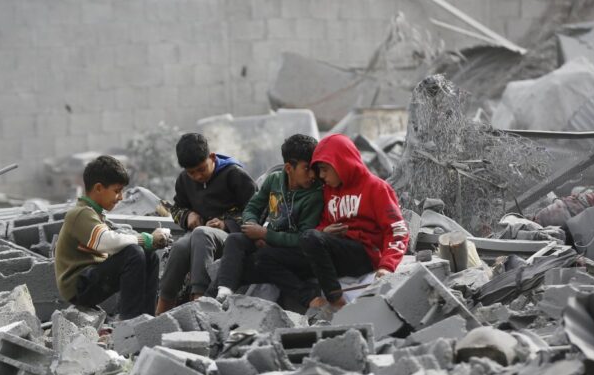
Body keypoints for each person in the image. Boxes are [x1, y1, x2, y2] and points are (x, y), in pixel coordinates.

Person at [255, 133, 409, 313]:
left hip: (363, 254)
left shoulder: (376, 188)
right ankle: (311, 299)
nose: (321, 175)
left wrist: (386, 266)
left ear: (342, 163)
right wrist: (324, 231)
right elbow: (320, 227)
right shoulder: (329, 191)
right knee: (264, 257)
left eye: (325, 169)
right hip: (330, 254)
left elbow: (397, 230)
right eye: (318, 170)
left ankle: (335, 300)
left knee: (310, 237)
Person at [209, 133, 323, 301]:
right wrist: (252, 228)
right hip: (267, 240)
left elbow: (303, 239)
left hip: (292, 252)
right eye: (307, 168)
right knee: (235, 240)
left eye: (315, 168)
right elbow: (252, 208)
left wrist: (265, 235)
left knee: (251, 263)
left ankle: (211, 299)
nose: (313, 175)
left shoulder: (314, 195)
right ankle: (223, 291)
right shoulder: (274, 180)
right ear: (289, 168)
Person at [55, 155, 170, 320]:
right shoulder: (80, 213)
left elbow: (119, 235)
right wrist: (146, 239)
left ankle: (146, 318)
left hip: (91, 279)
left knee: (149, 256)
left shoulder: (96, 214)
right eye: (117, 191)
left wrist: (149, 242)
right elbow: (106, 241)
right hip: (78, 286)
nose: (121, 197)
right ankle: (130, 321)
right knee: (134, 253)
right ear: (99, 188)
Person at [157, 132, 257, 313]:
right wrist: (187, 216)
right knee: (180, 247)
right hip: (198, 235)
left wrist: (226, 223)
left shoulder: (234, 175)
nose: (197, 176)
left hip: (231, 237)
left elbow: (256, 211)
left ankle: (200, 301)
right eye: (191, 172)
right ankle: (163, 307)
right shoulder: (184, 180)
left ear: (211, 157)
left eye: (201, 169)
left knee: (201, 234)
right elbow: (177, 209)